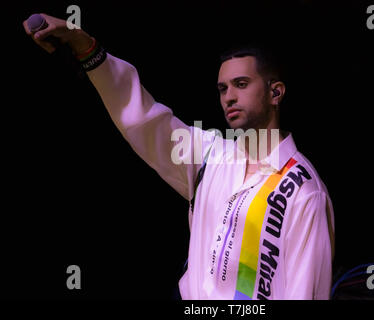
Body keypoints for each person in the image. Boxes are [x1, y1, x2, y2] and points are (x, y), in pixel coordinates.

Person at [23, 13, 335, 300]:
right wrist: (86, 47)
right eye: (222, 88)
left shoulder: (304, 189)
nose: (229, 96)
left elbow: (306, 292)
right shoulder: (211, 155)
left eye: (241, 84)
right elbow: (143, 118)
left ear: (275, 92)